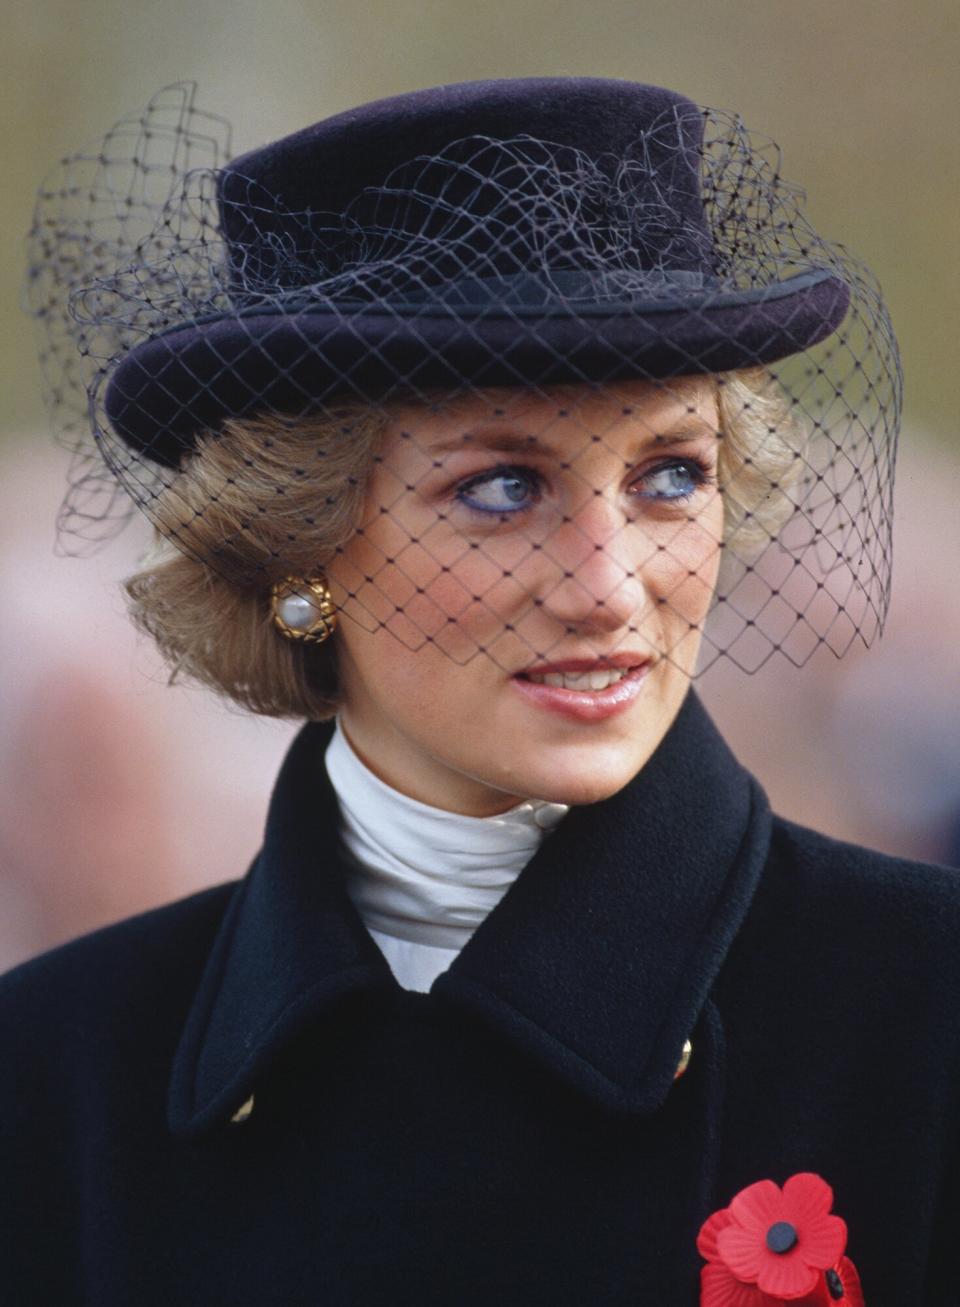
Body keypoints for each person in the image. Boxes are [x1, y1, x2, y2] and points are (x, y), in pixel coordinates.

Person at [3, 77, 956, 1306]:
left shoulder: (922, 1009)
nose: (610, 586)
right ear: (298, 541)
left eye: (671, 474)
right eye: (503, 488)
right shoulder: (56, 1074)